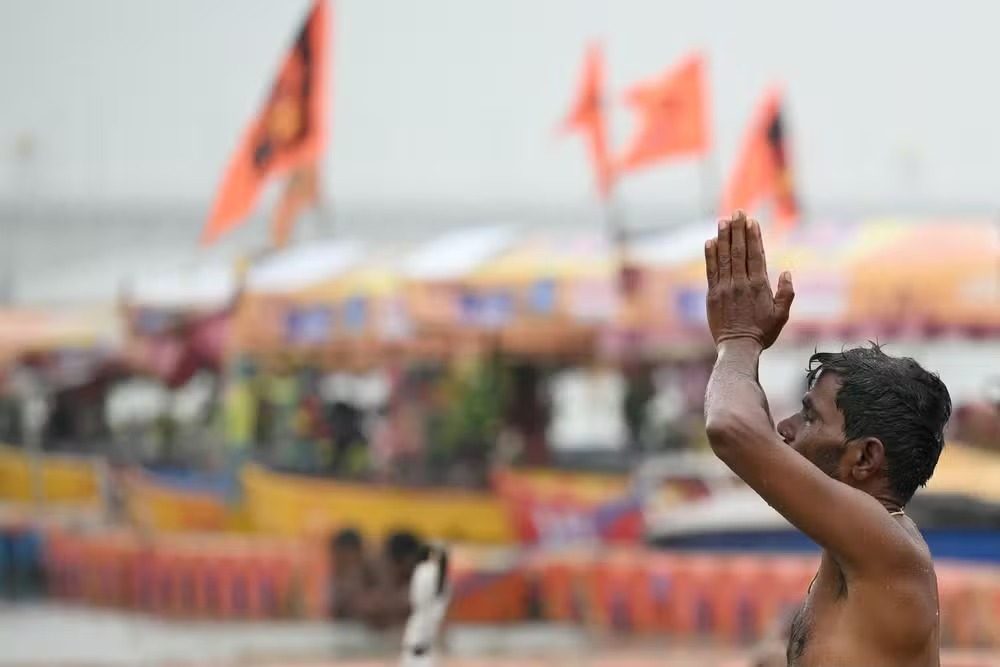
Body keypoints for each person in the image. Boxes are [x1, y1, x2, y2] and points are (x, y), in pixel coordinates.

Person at [703, 211, 951, 667]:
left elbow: (733, 430)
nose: (785, 429)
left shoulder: (884, 543)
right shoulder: (859, 545)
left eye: (810, 417)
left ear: (864, 458)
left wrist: (738, 339)